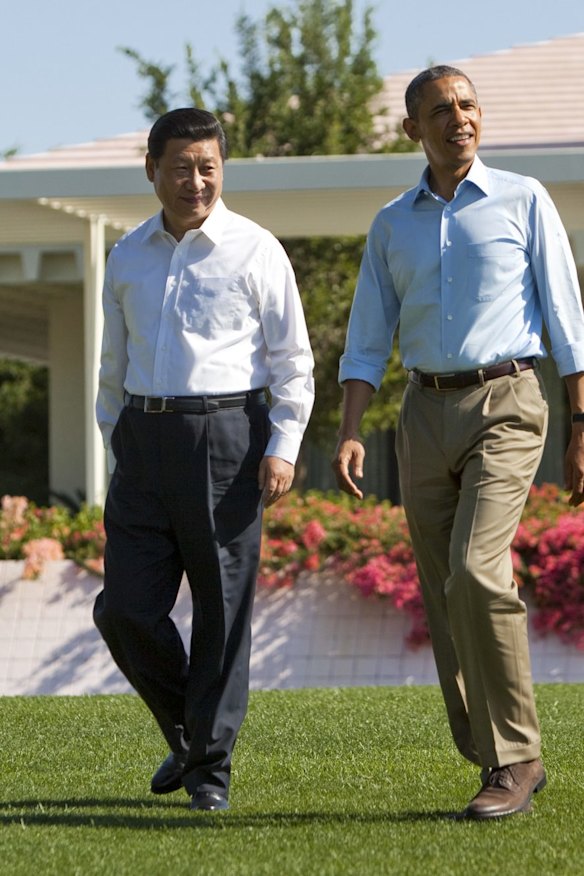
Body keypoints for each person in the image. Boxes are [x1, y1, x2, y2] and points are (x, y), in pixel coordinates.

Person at [333, 65, 584, 820]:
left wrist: (581, 427)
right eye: (441, 110)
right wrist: (349, 429)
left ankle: (517, 756)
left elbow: (567, 320)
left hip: (508, 400)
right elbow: (366, 336)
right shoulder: (392, 223)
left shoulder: (523, 198)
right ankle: (492, 756)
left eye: (468, 105)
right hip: (422, 411)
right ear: (414, 128)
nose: (459, 118)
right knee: (445, 589)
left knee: (477, 572)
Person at [94, 107, 314, 812]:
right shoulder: (126, 254)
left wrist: (283, 445)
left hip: (228, 438)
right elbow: (111, 363)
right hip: (142, 439)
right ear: (151, 169)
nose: (196, 181)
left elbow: (294, 360)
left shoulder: (255, 248)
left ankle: (209, 772)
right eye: (182, 168)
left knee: (221, 610)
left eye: (208, 167)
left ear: (222, 169)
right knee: (124, 609)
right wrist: (117, 439)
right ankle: (192, 732)